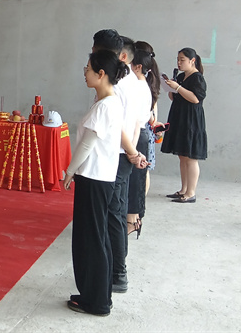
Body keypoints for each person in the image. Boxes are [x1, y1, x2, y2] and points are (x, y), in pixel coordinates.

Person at [63, 49, 127, 317]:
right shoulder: (110, 101)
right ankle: (97, 295)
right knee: (97, 238)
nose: (84, 74)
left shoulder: (104, 106)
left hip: (93, 177)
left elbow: (87, 144)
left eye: (87, 69)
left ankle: (97, 301)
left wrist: (70, 171)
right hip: (101, 176)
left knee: (92, 240)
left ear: (101, 74)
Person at [91, 30, 148, 294]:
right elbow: (136, 122)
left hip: (117, 155)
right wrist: (132, 152)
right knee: (117, 211)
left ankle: (117, 273)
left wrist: (130, 152)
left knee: (112, 215)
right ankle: (116, 268)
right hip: (124, 154)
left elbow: (119, 125)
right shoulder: (133, 82)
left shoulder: (117, 84)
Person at [161, 47, 208, 203]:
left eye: (182, 60)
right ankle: (183, 189)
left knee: (191, 157)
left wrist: (178, 87)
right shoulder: (181, 76)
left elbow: (195, 99)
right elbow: (174, 97)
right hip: (179, 117)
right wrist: (171, 87)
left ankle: (191, 193)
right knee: (182, 156)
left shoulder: (197, 78)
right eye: (178, 59)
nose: (179, 63)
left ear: (192, 61)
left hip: (191, 119)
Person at [126, 47, 161, 237]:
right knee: (137, 180)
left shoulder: (137, 86)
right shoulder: (144, 85)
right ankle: (133, 219)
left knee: (134, 181)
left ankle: (132, 221)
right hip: (141, 134)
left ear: (137, 66)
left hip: (137, 135)